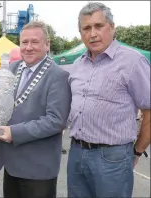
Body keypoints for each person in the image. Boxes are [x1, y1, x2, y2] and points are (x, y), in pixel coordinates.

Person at [67, 2, 150, 198]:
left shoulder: (132, 62)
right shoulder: (78, 64)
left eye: (99, 26)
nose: (93, 33)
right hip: (77, 152)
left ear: (112, 27)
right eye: (86, 28)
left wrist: (137, 151)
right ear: (81, 33)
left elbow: (149, 110)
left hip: (112, 157)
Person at [0, 21, 72, 198]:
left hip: (38, 169)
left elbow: (56, 121)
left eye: (34, 42)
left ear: (47, 44)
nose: (28, 47)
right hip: (11, 164)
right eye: (24, 42)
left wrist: (14, 132)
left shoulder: (58, 76)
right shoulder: (11, 69)